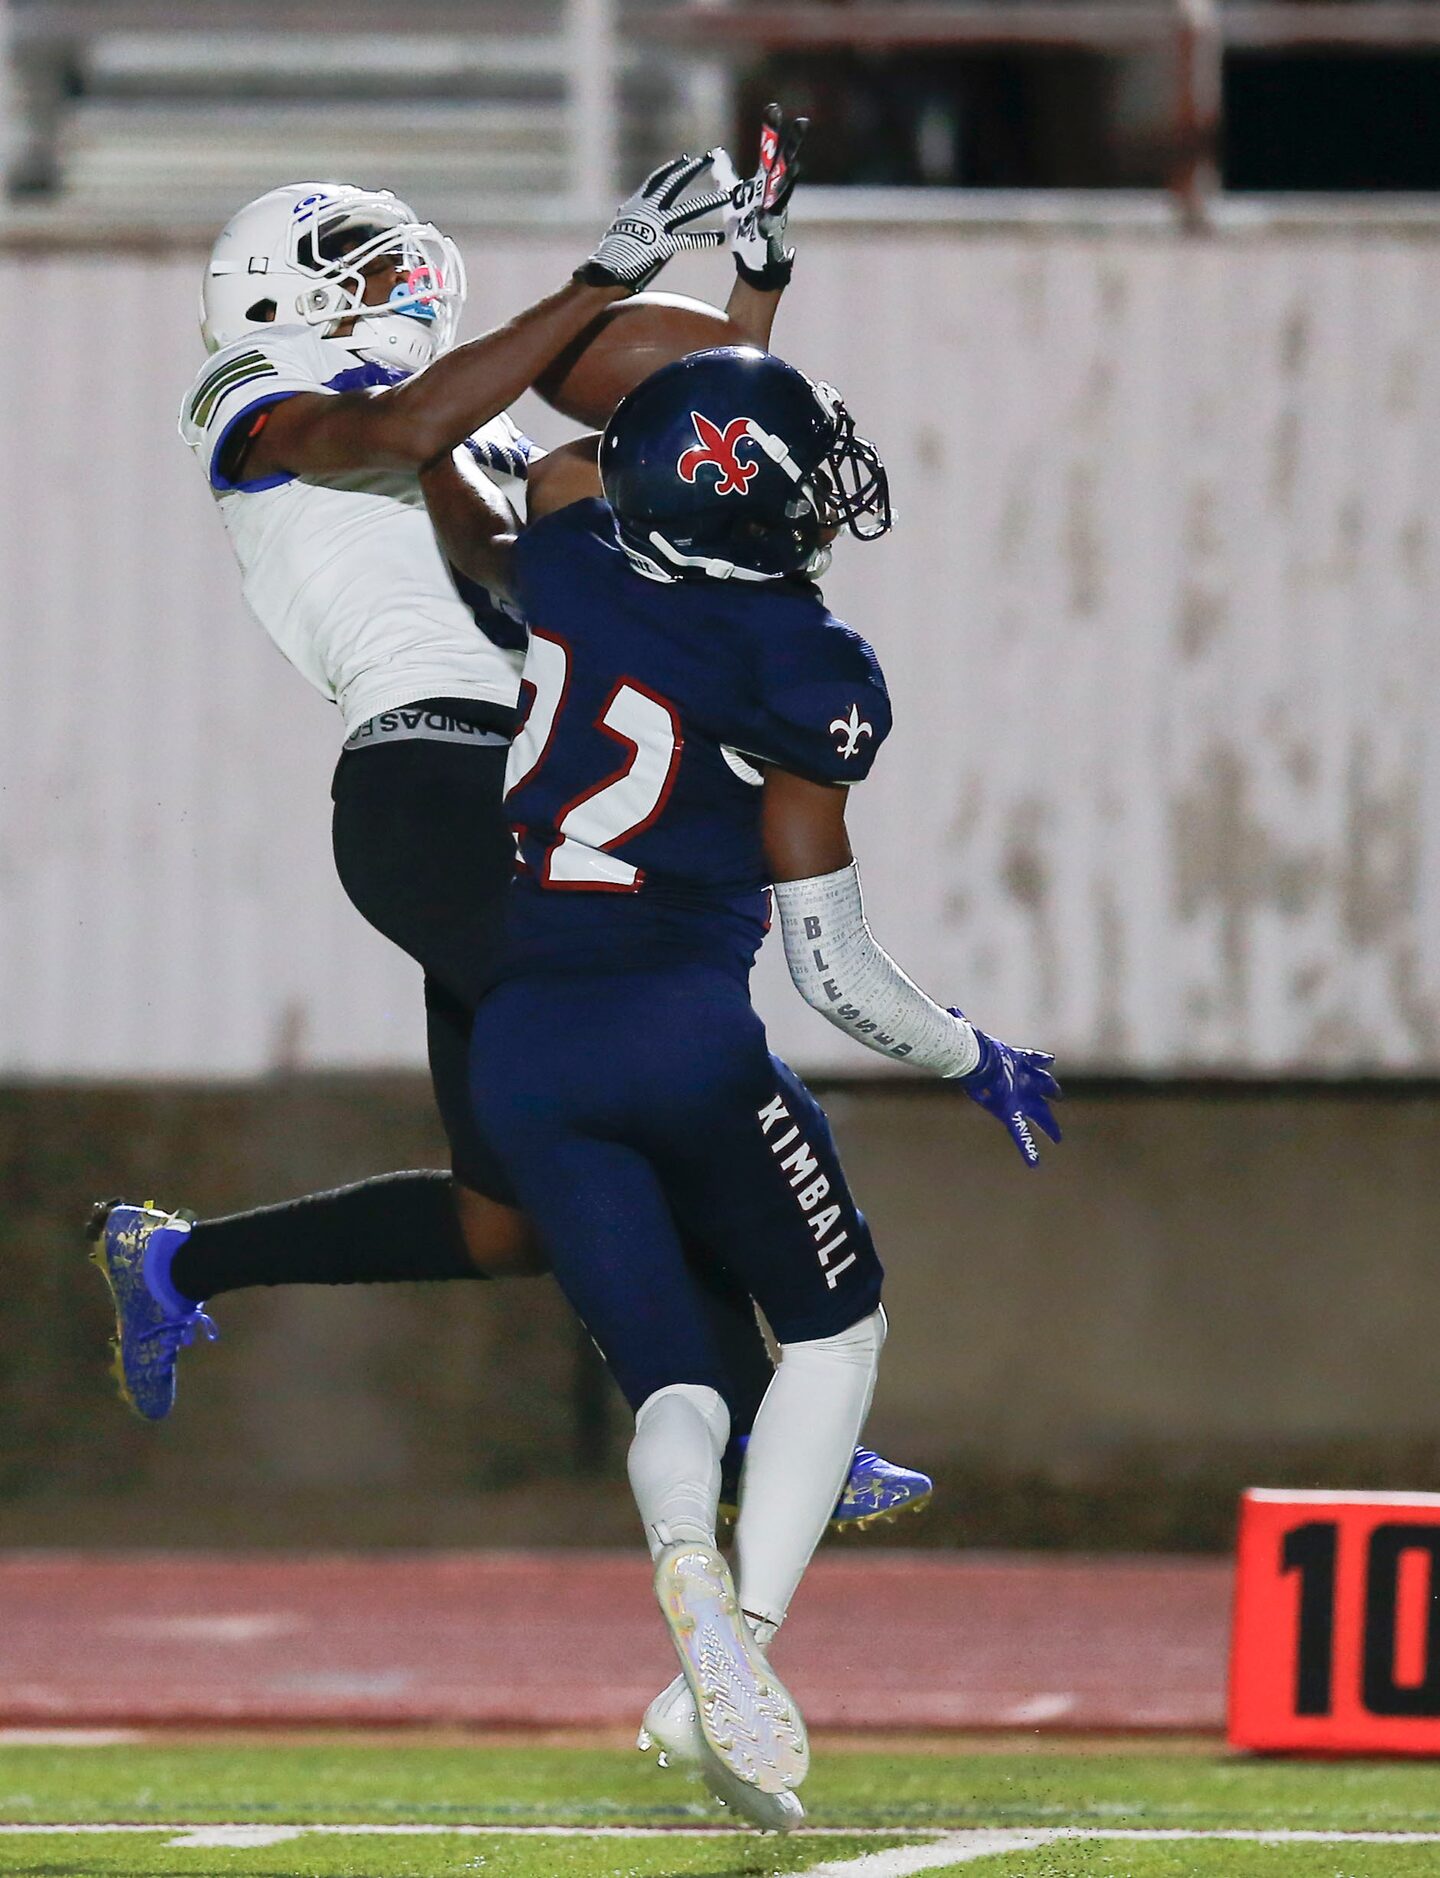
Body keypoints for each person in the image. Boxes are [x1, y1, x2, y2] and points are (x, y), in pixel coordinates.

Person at [88, 120, 930, 1528]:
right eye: (347, 262)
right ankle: (771, 1438)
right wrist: (604, 274)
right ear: (266, 294)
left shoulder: (472, 417)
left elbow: (688, 451)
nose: (390, 276)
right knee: (649, 1090)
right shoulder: (257, 393)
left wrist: (756, 279)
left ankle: (177, 1264)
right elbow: (395, 434)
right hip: (430, 781)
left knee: (508, 1219)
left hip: (520, 786)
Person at [417, 345, 1061, 1826]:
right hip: (678, 1031)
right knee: (836, 1332)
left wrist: (437, 398)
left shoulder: (567, 557)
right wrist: (974, 1054)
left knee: (680, 1380)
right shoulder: (806, 667)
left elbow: (492, 483)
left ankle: (682, 1590)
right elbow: (831, 970)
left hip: (523, 1043)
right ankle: (743, 1640)